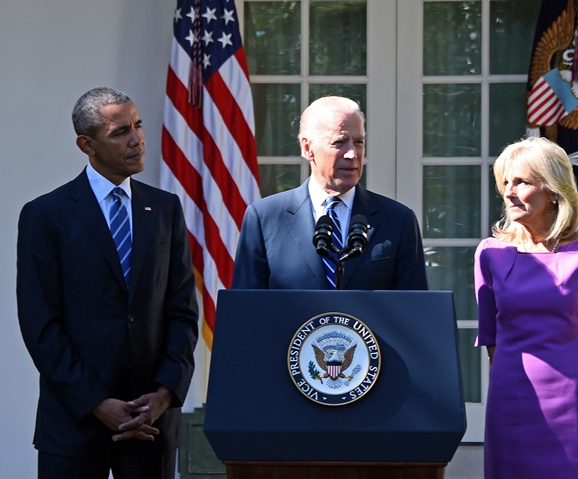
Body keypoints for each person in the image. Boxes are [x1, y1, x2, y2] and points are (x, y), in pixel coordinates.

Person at [16, 87, 199, 479]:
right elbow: (40, 325)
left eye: (138, 125)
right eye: (120, 132)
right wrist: (98, 402)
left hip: (151, 424)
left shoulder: (165, 208)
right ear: (87, 144)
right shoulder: (46, 215)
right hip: (74, 426)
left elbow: (182, 311)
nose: (137, 139)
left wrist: (165, 394)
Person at [474, 136, 578, 478]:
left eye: (522, 182)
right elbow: (491, 339)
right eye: (505, 182)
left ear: (554, 190)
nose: (509, 192)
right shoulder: (489, 253)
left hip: (577, 405)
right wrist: (508, 388)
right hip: (510, 401)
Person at [232, 95, 427, 290]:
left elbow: (414, 311)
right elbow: (246, 309)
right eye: (339, 142)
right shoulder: (265, 218)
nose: (352, 154)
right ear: (308, 148)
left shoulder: (398, 220)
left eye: (358, 142)